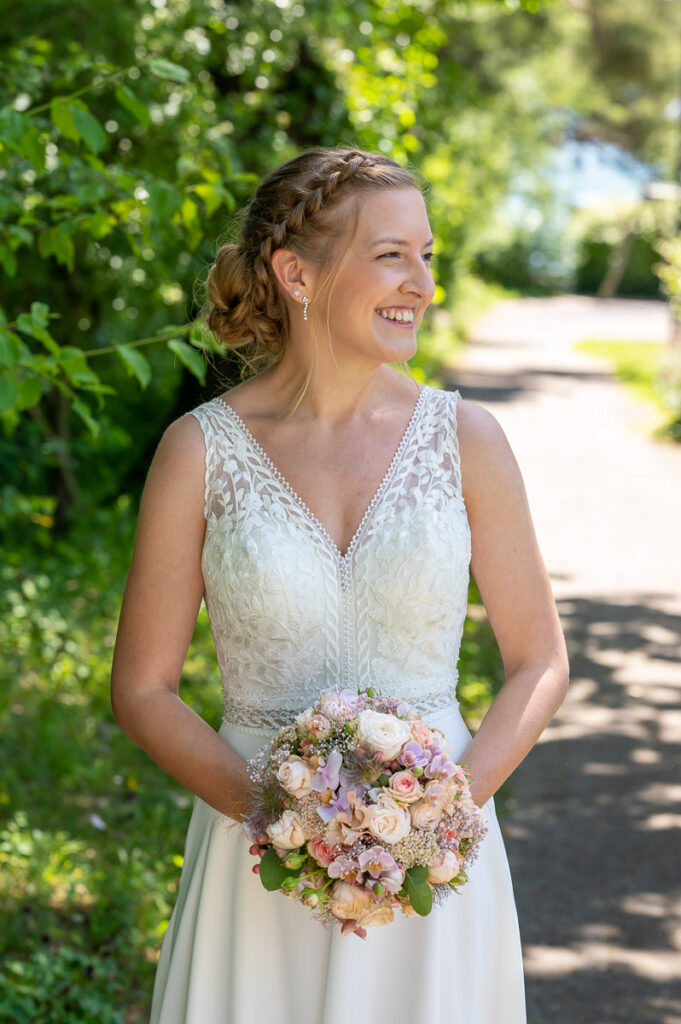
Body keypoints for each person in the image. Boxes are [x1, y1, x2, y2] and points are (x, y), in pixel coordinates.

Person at [110, 146, 569, 1023]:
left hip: (432, 860)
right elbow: (142, 688)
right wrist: (285, 813)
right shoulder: (197, 450)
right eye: (391, 254)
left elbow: (539, 661)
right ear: (296, 274)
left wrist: (440, 816)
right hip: (260, 852)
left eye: (427, 255)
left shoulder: (466, 439)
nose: (422, 283)